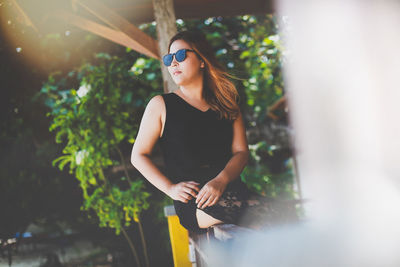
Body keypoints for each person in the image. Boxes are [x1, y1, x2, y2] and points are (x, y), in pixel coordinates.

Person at [131, 30, 295, 233]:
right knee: (264, 218)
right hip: (195, 202)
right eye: (169, 58)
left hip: (233, 190)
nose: (173, 63)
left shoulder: (226, 104)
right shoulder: (161, 105)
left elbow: (241, 152)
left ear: (202, 60)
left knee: (285, 213)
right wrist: (170, 188)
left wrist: (221, 180)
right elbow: (138, 155)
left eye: (181, 55)